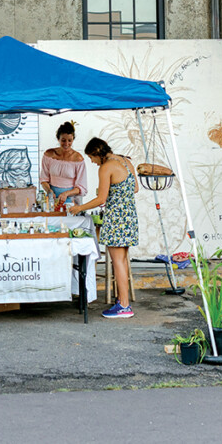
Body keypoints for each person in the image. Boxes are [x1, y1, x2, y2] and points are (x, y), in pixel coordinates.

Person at [69, 137, 139, 319]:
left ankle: (124, 305)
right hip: (129, 216)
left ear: (97, 153)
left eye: (92, 158)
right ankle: (122, 301)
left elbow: (101, 199)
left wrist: (79, 208)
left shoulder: (106, 167)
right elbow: (135, 189)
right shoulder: (126, 161)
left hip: (116, 218)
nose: (92, 162)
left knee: (117, 261)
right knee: (122, 260)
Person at [39, 121, 87, 210]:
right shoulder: (49, 155)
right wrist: (49, 191)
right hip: (51, 199)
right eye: (63, 140)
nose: (66, 144)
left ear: (73, 139)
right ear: (58, 139)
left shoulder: (78, 159)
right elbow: (44, 179)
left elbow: (81, 187)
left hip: (71, 200)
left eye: (70, 140)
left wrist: (66, 193)